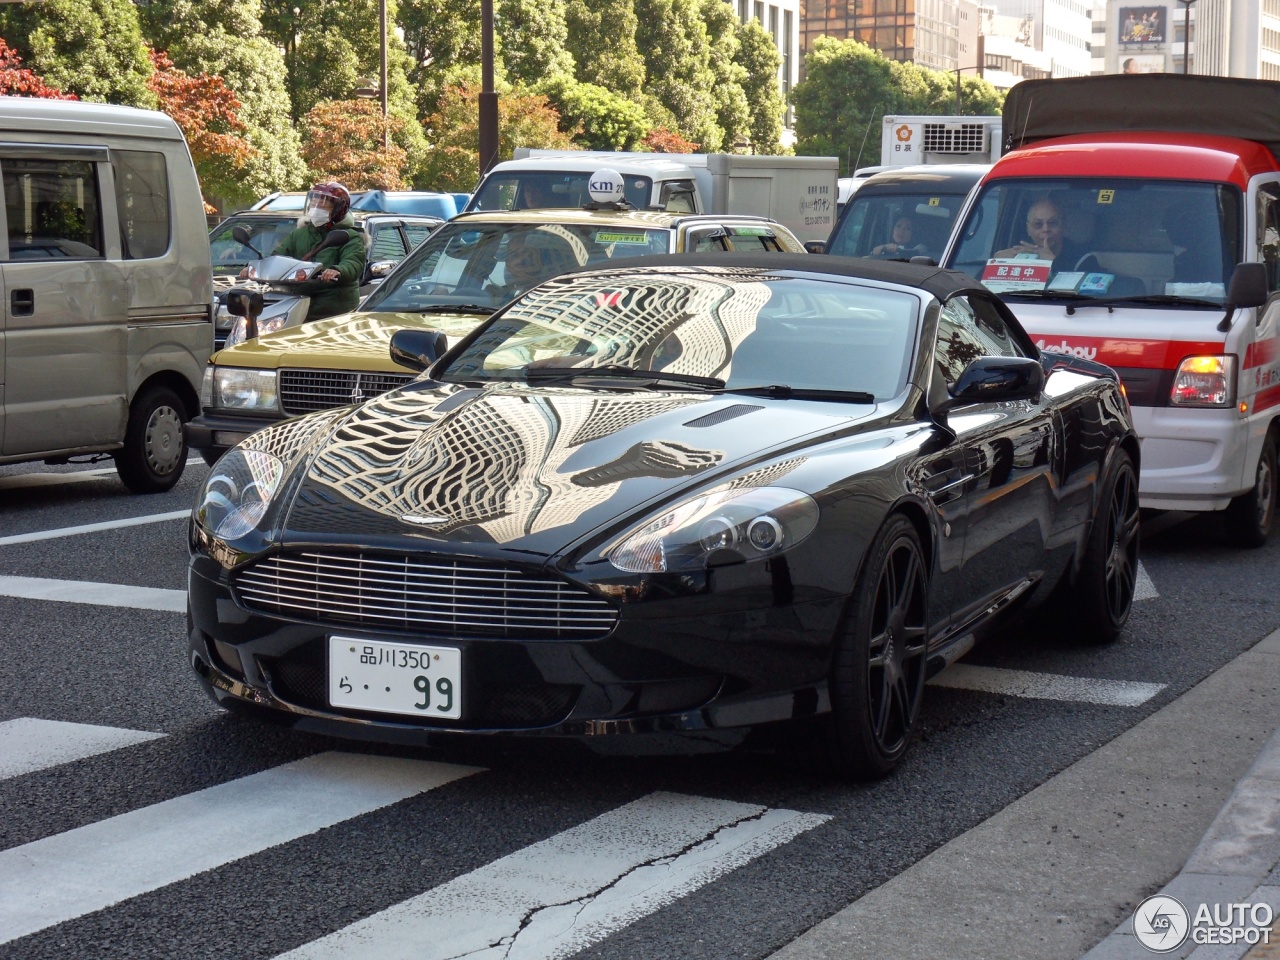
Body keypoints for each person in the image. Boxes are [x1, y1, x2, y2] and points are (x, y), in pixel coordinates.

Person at [241, 181, 366, 322]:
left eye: (323, 203)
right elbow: (278, 256)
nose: (316, 205)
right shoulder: (299, 234)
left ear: (339, 209)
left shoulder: (350, 236)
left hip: (334, 310)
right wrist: (255, 267)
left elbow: (353, 262)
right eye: (314, 201)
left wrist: (337, 270)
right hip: (298, 304)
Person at [994, 198, 1092, 274]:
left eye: (1052, 223)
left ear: (1064, 226)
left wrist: (1051, 263)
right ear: (1028, 229)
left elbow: (1086, 297)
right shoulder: (1018, 257)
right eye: (1038, 224)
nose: (1045, 229)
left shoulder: (1084, 259)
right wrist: (997, 264)